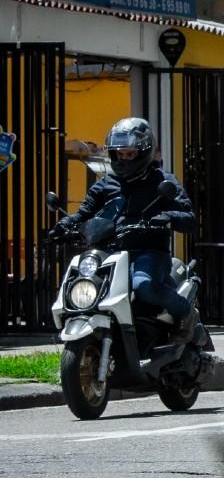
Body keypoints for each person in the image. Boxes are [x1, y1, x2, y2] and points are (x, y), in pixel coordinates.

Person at [50, 117, 198, 340]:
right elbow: (84, 212)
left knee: (143, 286)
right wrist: (65, 224)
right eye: (120, 154)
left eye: (130, 154)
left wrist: (167, 217)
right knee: (86, 285)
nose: (124, 159)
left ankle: (187, 314)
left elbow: (189, 217)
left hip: (149, 253)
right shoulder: (106, 184)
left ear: (143, 152)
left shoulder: (162, 181)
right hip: (110, 253)